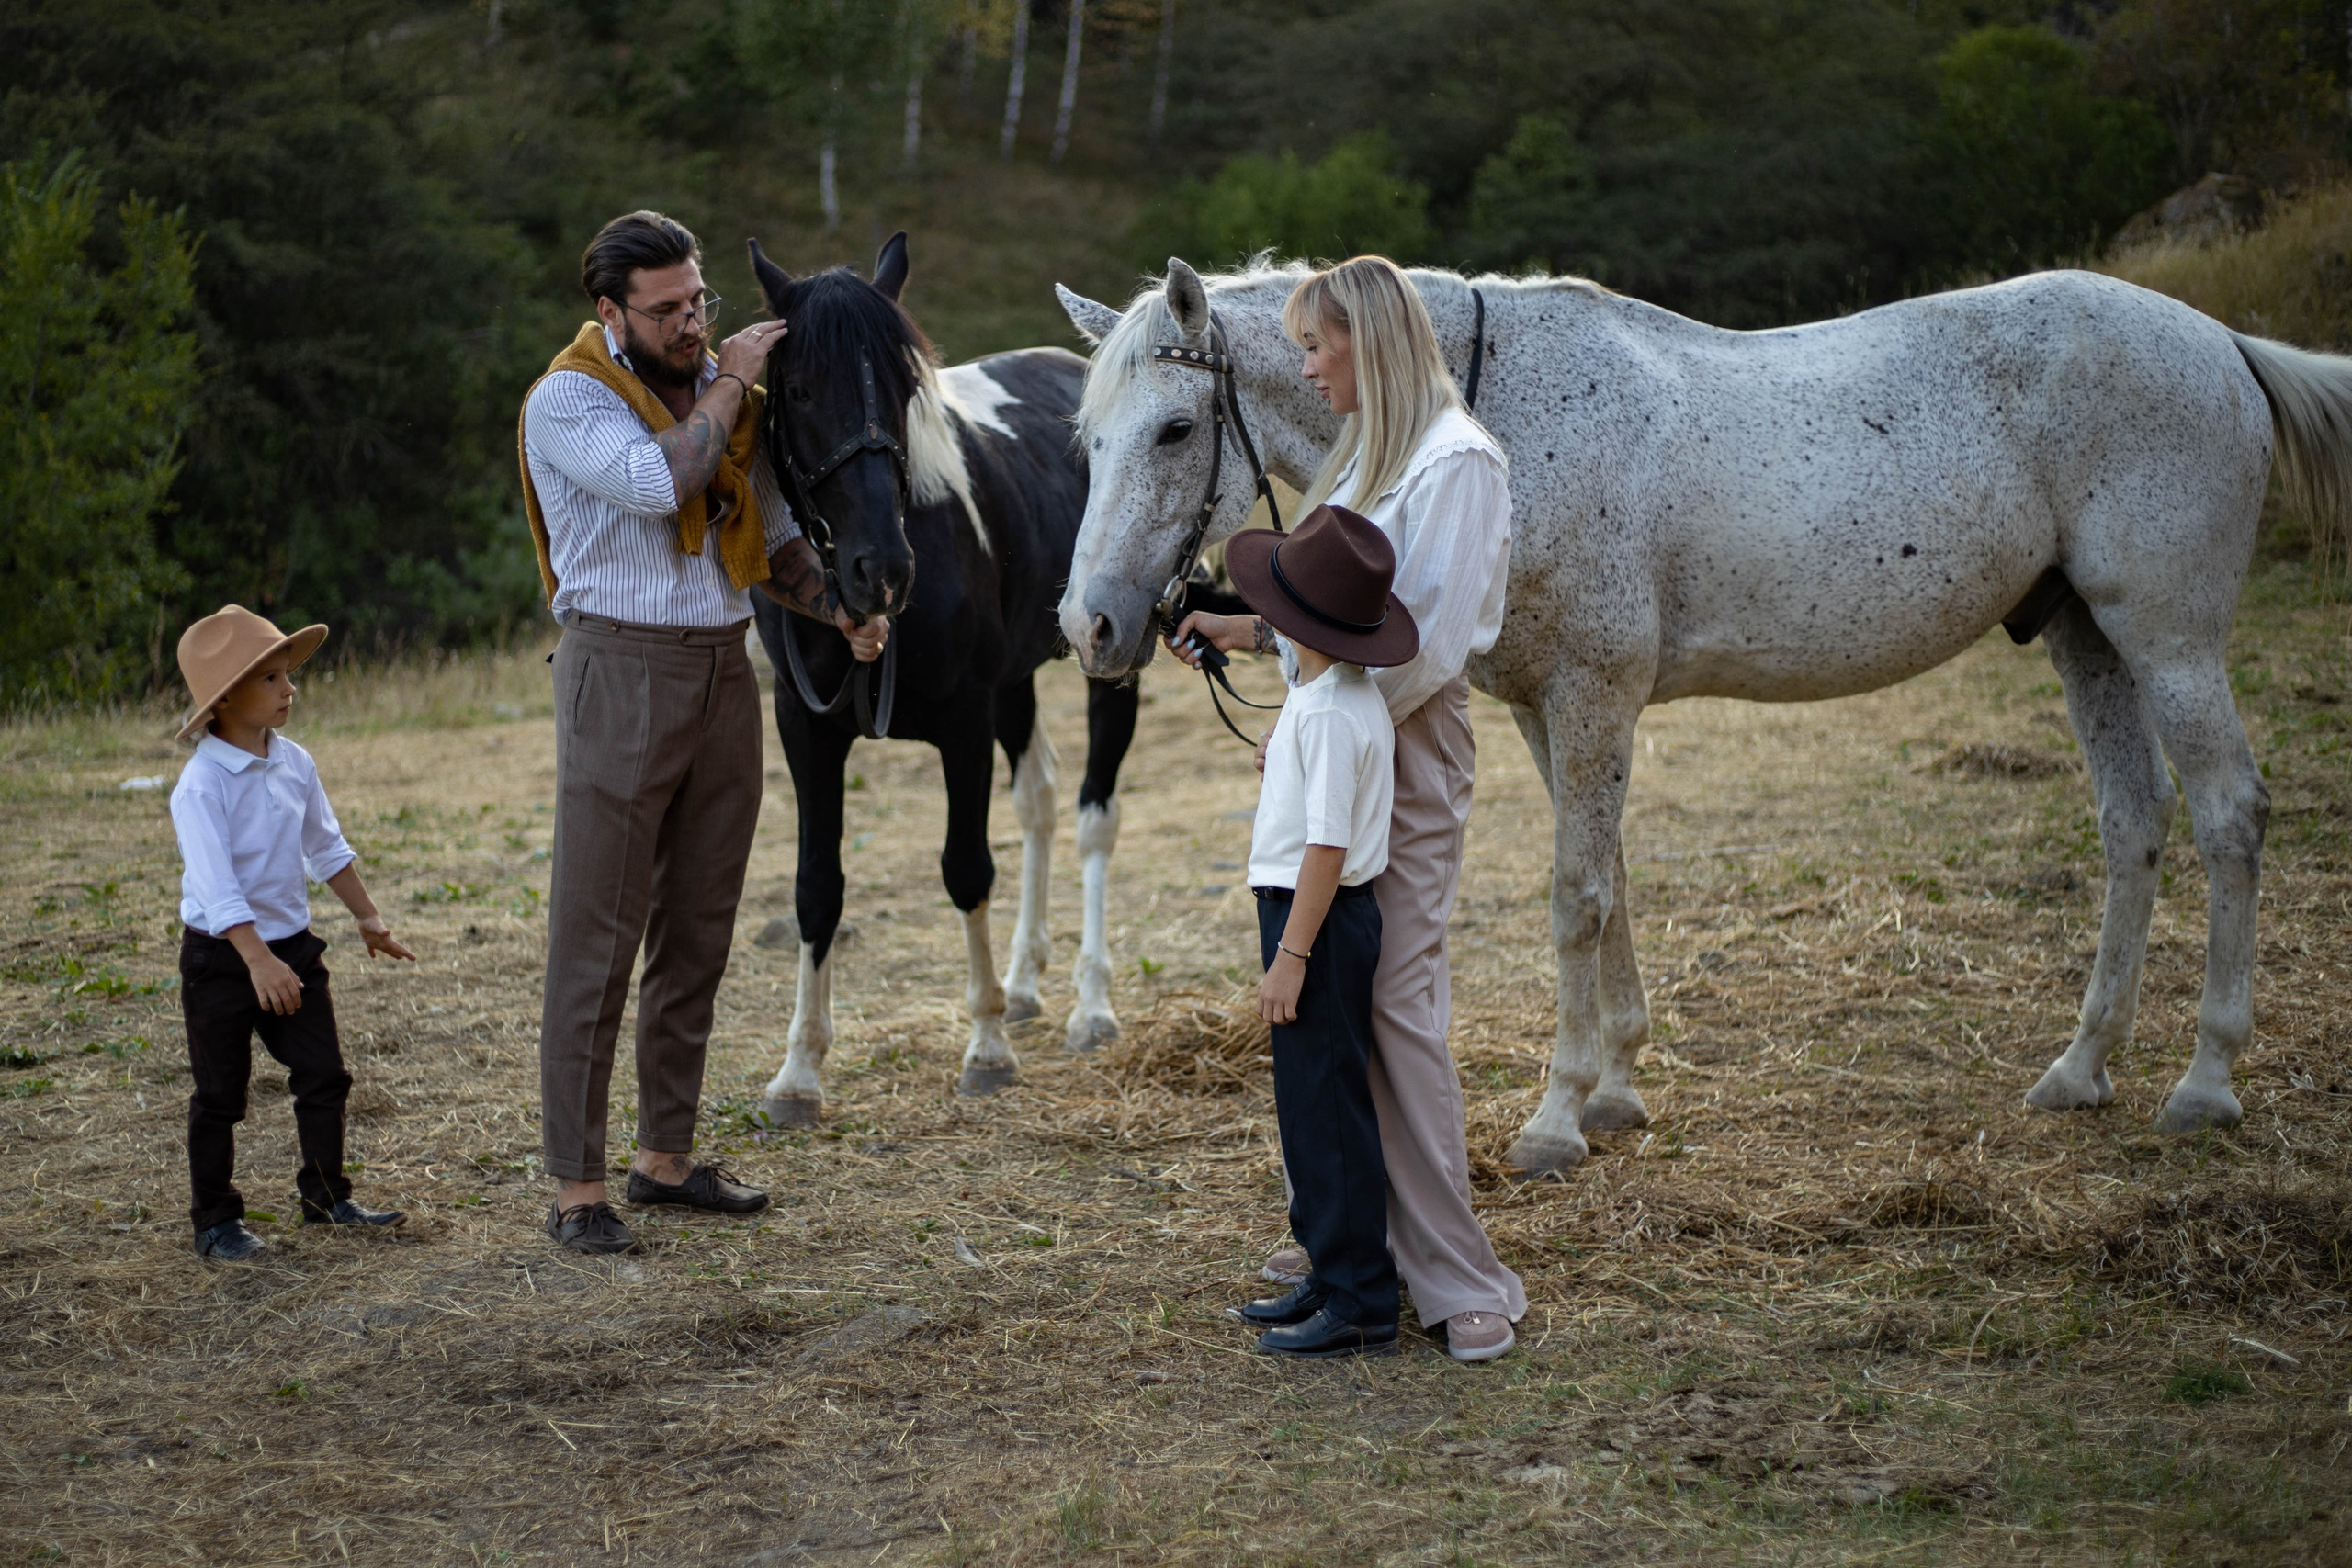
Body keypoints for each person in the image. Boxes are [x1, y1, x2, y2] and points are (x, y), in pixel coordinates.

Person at [1172, 254, 1525, 1363]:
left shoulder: (1457, 462)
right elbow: (1343, 607)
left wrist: (1319, 716)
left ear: (1366, 342)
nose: (1310, 367)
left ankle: (1459, 1274)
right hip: (1355, 730)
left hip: (1401, 750)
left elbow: (1417, 644)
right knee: (1336, 1001)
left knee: (1400, 1005)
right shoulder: (1373, 448)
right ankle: (1349, 1239)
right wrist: (1250, 630)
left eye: (1319, 346)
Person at [519, 209, 889, 1255]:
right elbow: (656, 483)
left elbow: (771, 545)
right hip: (618, 667)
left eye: (700, 303)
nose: (691, 324)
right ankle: (577, 1186)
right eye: (668, 309)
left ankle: (663, 1158)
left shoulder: (730, 413)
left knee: (699, 926)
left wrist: (842, 610)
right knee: (598, 932)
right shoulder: (570, 398)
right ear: (610, 311)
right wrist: (730, 378)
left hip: (725, 664)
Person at [1223, 504, 1419, 1359]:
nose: (1266, 618)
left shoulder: (1335, 711)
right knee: (1306, 1106)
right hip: (1308, 918)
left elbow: (1328, 847)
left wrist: (1291, 957)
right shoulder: (1325, 695)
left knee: (1329, 1111)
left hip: (1320, 924)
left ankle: (1361, 1301)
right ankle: (1328, 1270)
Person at [169, 605, 416, 1261]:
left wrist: (367, 916)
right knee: (220, 1094)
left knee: (324, 1073)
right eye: (273, 679)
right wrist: (256, 960)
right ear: (223, 700)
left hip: (292, 949)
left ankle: (326, 1198)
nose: (291, 689)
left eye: (288, 675)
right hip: (223, 958)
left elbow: (326, 847)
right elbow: (218, 888)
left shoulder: (295, 762)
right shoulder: (201, 785)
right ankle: (216, 1221)